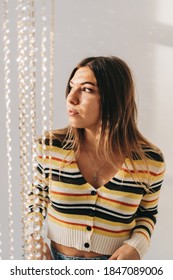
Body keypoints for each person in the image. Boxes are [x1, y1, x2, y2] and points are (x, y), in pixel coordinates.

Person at [27, 56, 165, 260]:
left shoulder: (149, 161)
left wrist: (136, 247)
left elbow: (147, 214)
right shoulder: (50, 147)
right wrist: (33, 237)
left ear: (113, 97)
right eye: (71, 87)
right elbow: (36, 199)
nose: (71, 98)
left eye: (86, 89)